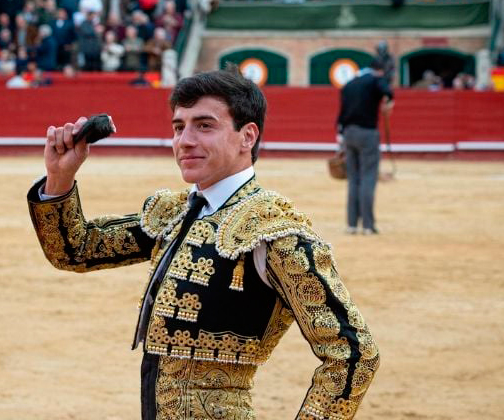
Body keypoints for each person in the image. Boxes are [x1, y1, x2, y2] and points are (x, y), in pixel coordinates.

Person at [27, 65, 380, 419]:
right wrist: (60, 178)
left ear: (247, 136)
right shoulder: (174, 213)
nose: (185, 140)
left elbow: (355, 353)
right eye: (179, 127)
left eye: (204, 125)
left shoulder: (274, 232)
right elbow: (76, 250)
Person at [337, 59, 394, 235]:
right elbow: (388, 91)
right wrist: (388, 102)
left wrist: (340, 136)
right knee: (368, 178)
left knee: (353, 179)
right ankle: (368, 226)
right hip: (367, 133)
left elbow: (341, 113)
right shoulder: (376, 79)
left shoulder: (349, 84)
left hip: (348, 134)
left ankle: (352, 225)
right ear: (380, 70)